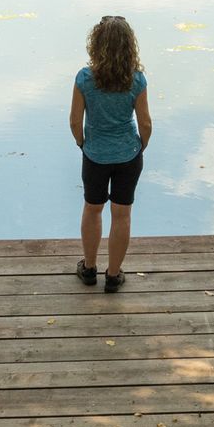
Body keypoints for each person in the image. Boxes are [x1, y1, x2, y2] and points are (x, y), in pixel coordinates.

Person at [70, 15, 151, 293]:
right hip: (128, 155)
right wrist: (141, 146)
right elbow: (145, 123)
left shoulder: (85, 78)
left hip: (95, 155)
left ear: (96, 45)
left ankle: (89, 269)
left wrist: (83, 144)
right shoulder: (136, 79)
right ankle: (113, 276)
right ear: (129, 46)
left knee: (93, 209)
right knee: (122, 214)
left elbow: (74, 121)